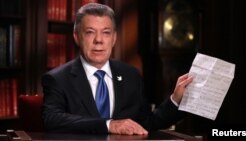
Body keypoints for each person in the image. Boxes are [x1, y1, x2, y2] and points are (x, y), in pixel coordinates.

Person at [41, 3, 193, 135]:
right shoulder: (57, 79)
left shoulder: (130, 75)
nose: (99, 40)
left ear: (113, 38)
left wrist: (176, 99)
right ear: (76, 37)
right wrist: (109, 125)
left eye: (106, 33)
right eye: (90, 32)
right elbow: (52, 119)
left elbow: (147, 123)